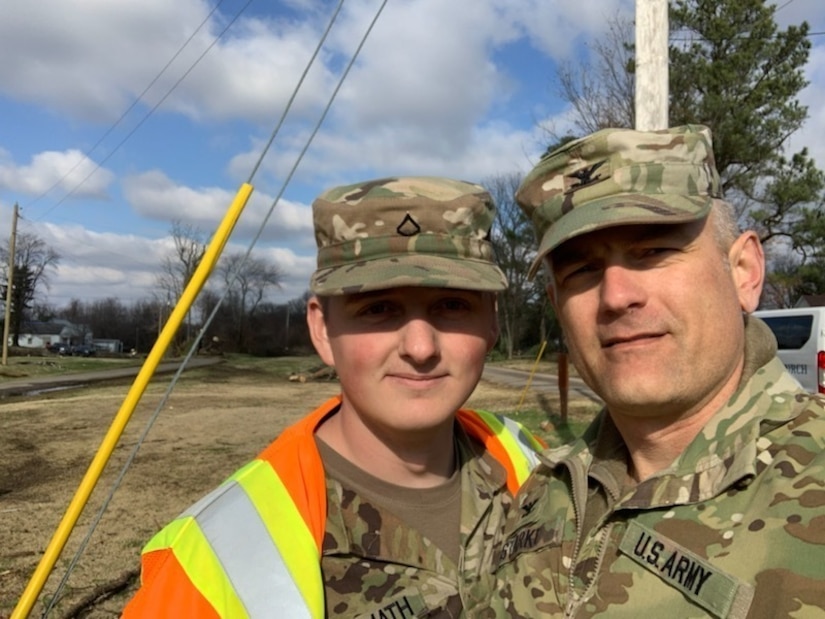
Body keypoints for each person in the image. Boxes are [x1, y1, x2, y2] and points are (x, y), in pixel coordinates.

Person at [122, 176, 545, 618]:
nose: (420, 347)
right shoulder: (212, 559)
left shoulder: (529, 463)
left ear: (492, 323)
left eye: (453, 305)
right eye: (378, 309)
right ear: (322, 329)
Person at [490, 125, 825, 618]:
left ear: (744, 271)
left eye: (653, 252)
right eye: (581, 270)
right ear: (557, 305)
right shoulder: (542, 494)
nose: (617, 296)